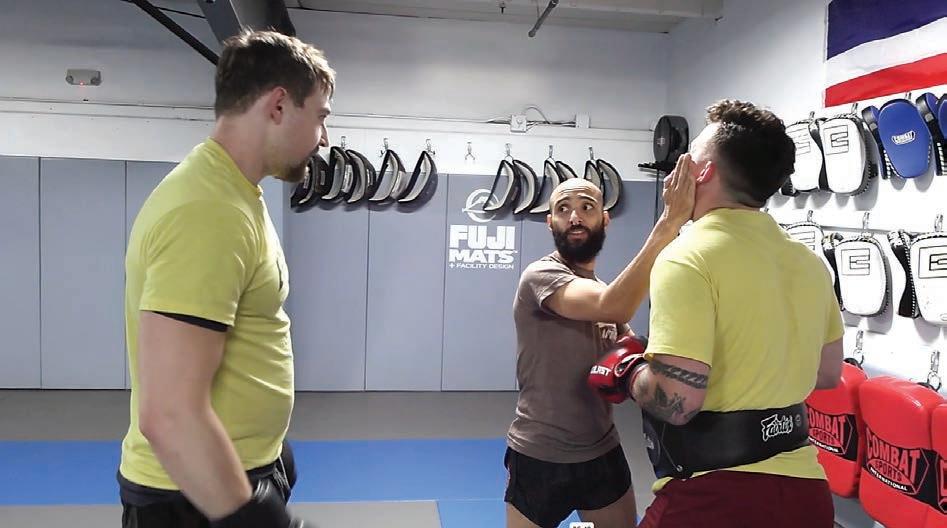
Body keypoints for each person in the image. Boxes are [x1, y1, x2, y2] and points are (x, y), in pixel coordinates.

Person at [589, 99, 844, 528]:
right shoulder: (808, 262)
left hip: (717, 497)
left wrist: (630, 369)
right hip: (807, 493)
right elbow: (827, 372)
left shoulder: (688, 257)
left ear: (702, 172)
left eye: (688, 157)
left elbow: (678, 403)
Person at [117, 30, 335, 528]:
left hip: (224, 477)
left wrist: (268, 449)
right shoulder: (208, 209)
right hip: (193, 495)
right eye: (321, 116)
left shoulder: (235, 194)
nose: (323, 138)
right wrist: (252, 519)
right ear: (278, 105)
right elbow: (169, 414)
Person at [505, 170, 695, 528]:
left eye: (586, 207)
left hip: (601, 451)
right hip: (540, 453)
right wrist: (670, 222)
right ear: (550, 222)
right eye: (563, 209)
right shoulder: (540, 276)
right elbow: (614, 306)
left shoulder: (602, 290)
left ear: (604, 219)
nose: (575, 217)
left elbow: (632, 351)